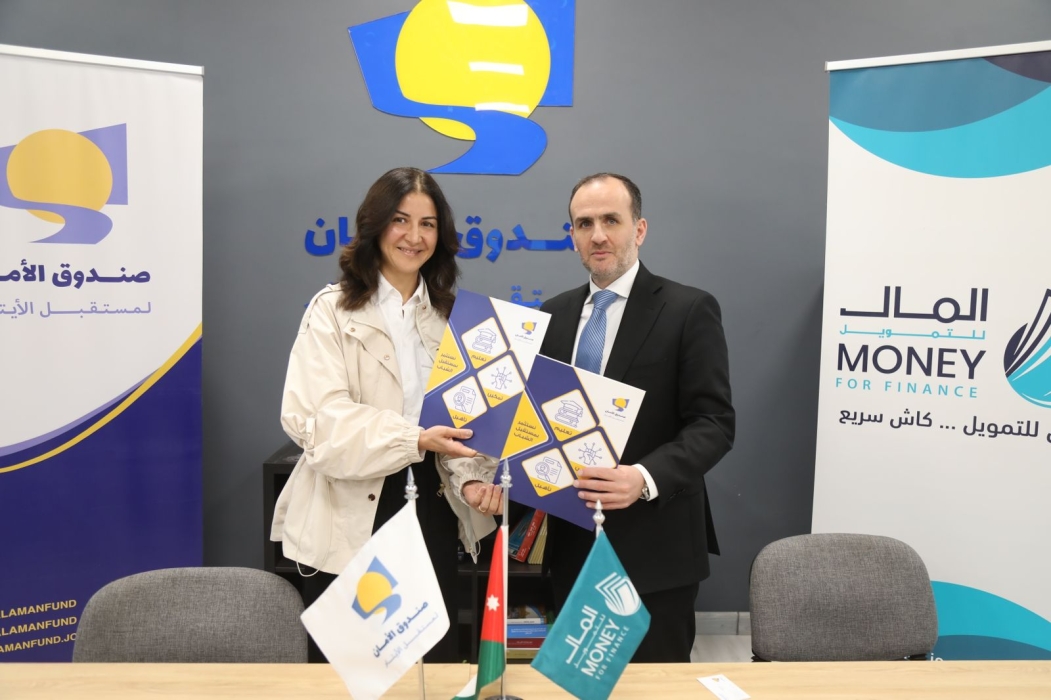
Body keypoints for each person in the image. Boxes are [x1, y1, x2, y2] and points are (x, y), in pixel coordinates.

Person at [271, 167, 503, 663]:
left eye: (428, 224)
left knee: (428, 669)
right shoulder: (331, 310)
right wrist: (414, 439)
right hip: (348, 511)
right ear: (375, 226)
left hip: (431, 509)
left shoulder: (454, 319)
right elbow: (318, 421)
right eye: (401, 220)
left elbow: (464, 424)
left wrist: (471, 479)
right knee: (350, 672)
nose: (414, 237)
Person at [539, 172, 735, 662]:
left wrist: (643, 478)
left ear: (639, 229)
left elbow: (713, 423)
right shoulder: (552, 316)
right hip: (572, 551)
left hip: (657, 551)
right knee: (577, 687)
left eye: (611, 220)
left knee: (657, 690)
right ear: (573, 235)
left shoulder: (689, 309)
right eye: (584, 224)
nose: (598, 235)